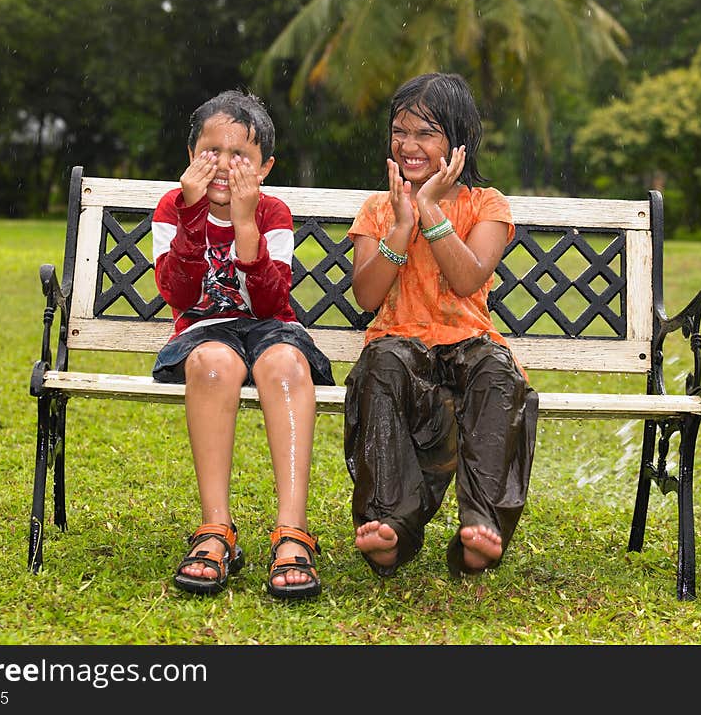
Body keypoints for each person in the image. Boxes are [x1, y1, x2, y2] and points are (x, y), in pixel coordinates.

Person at [343, 72, 539, 580]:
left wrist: (429, 208)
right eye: (399, 131)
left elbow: (468, 277)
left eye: (425, 133)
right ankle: (390, 524)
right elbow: (367, 297)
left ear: (457, 142)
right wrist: (402, 225)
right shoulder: (377, 207)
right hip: (399, 344)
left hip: (470, 344)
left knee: (501, 376)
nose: (409, 146)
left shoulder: (486, 204)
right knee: (380, 366)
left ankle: (482, 529)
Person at [151, 89, 333, 599]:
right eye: (213, 153)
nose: (226, 167)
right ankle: (215, 529)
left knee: (287, 365)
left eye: (242, 157)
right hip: (203, 330)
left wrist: (247, 223)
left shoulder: (272, 212)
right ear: (192, 157)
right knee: (212, 364)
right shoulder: (172, 208)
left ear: (265, 167)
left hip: (268, 326)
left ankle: (292, 531)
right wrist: (190, 215)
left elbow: (270, 302)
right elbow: (179, 294)